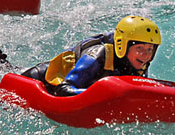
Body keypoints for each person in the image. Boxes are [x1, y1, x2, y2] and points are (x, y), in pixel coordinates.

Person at [21, 15, 161, 96]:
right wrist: (101, 95)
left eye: (150, 49)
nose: (145, 55)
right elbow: (63, 89)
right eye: (140, 48)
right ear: (123, 45)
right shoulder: (98, 55)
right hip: (41, 80)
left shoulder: (139, 63)